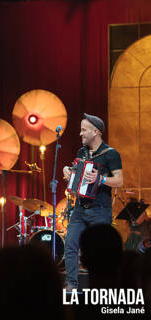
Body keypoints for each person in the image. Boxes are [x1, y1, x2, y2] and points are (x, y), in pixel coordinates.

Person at [63, 113, 123, 290]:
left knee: (100, 252)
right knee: (70, 245)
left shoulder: (111, 154)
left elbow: (119, 181)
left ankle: (102, 288)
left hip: (100, 210)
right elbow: (76, 173)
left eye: (84, 130)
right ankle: (71, 285)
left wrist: (101, 179)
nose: (80, 134)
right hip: (80, 208)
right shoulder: (82, 152)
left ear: (95, 132)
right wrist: (67, 170)